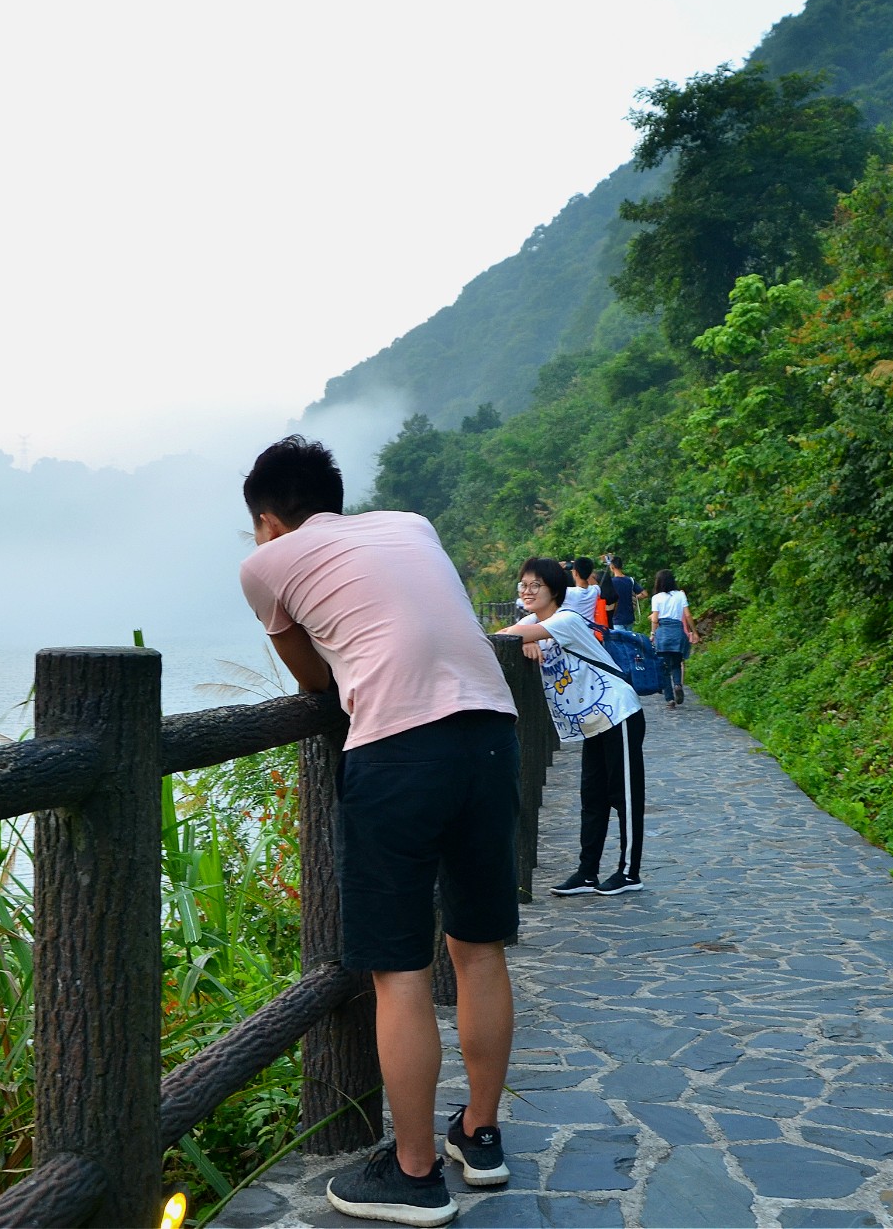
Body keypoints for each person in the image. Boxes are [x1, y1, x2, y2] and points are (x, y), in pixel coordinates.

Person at [239, 436, 519, 1226]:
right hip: (493, 731)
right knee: (477, 944)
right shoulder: (412, 523)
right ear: (333, 496)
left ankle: (415, 1171)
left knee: (397, 969)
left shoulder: (266, 564)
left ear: (267, 520)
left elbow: (316, 679)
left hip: (400, 749)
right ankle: (482, 1138)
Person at [498, 558, 647, 897]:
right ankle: (587, 872)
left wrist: (525, 636)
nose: (527, 590)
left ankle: (629, 872)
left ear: (554, 589)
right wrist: (527, 637)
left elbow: (507, 634)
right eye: (523, 584)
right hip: (592, 723)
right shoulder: (535, 623)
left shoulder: (566, 620)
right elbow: (508, 635)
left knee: (624, 795)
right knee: (592, 797)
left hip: (618, 712)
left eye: (535, 585)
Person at [649, 569, 697, 707]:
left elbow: (655, 619)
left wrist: (653, 634)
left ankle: (669, 699)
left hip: (663, 634)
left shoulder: (656, 598)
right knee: (676, 664)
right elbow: (687, 615)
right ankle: (677, 685)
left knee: (664, 668)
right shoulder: (680, 595)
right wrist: (694, 632)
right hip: (677, 632)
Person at [607, 556, 644, 631]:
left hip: (616, 618)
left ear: (612, 567)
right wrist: (634, 597)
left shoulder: (611, 582)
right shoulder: (630, 580)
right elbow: (644, 594)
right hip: (629, 618)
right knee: (628, 640)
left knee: (620, 641)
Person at [563, 556, 600, 625]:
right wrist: (585, 570)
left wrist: (560, 566)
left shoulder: (568, 592)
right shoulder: (596, 590)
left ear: (575, 573)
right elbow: (592, 581)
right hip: (590, 632)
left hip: (574, 632)